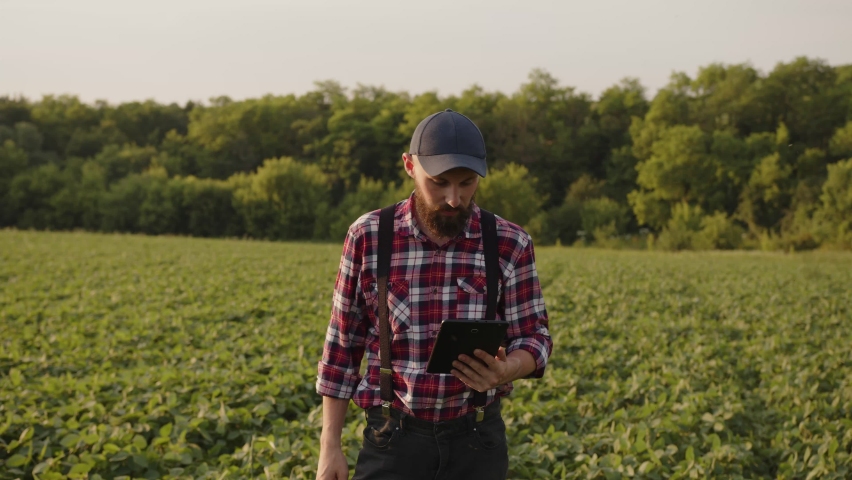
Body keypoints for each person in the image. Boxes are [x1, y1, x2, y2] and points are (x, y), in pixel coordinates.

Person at [316, 109, 552, 480]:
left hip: (476, 438)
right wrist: (330, 448)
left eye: (467, 182)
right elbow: (342, 349)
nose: (454, 198)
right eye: (439, 182)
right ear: (410, 166)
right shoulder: (369, 236)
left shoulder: (510, 242)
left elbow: (535, 337)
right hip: (391, 438)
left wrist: (510, 367)